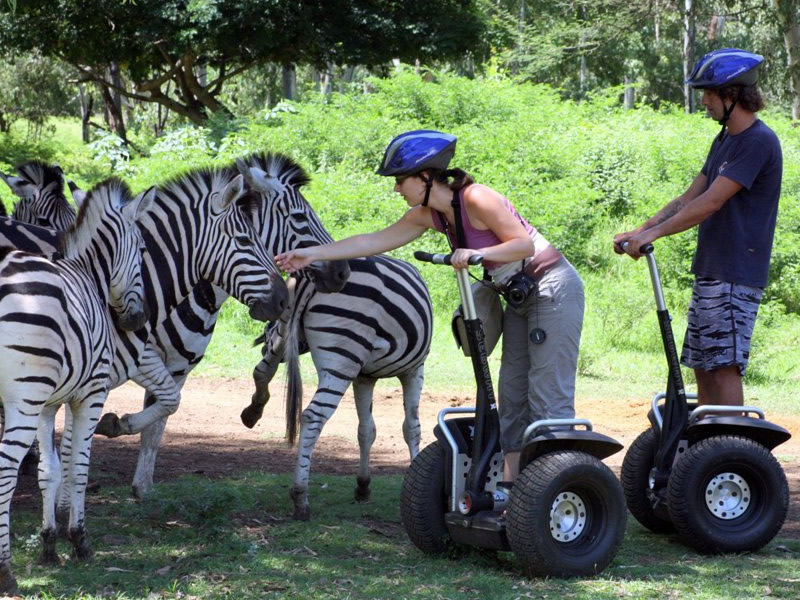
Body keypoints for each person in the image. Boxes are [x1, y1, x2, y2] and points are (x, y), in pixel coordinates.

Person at [276, 130, 585, 482]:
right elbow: (372, 241)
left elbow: (521, 246)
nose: (396, 189)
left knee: (547, 392)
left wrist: (476, 254)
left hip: (552, 287)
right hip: (519, 295)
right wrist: (310, 254)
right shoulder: (431, 215)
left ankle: (559, 484)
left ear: (424, 177)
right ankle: (512, 488)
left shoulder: (477, 198)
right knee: (512, 393)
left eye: (399, 181)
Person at [613, 48, 782, 407]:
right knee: (704, 365)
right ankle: (707, 453)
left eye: (708, 93)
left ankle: (731, 451)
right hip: (712, 270)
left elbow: (711, 202)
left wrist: (653, 235)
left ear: (731, 94)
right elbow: (691, 196)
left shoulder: (757, 142)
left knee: (724, 366)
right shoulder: (724, 140)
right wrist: (640, 229)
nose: (703, 101)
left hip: (736, 273)